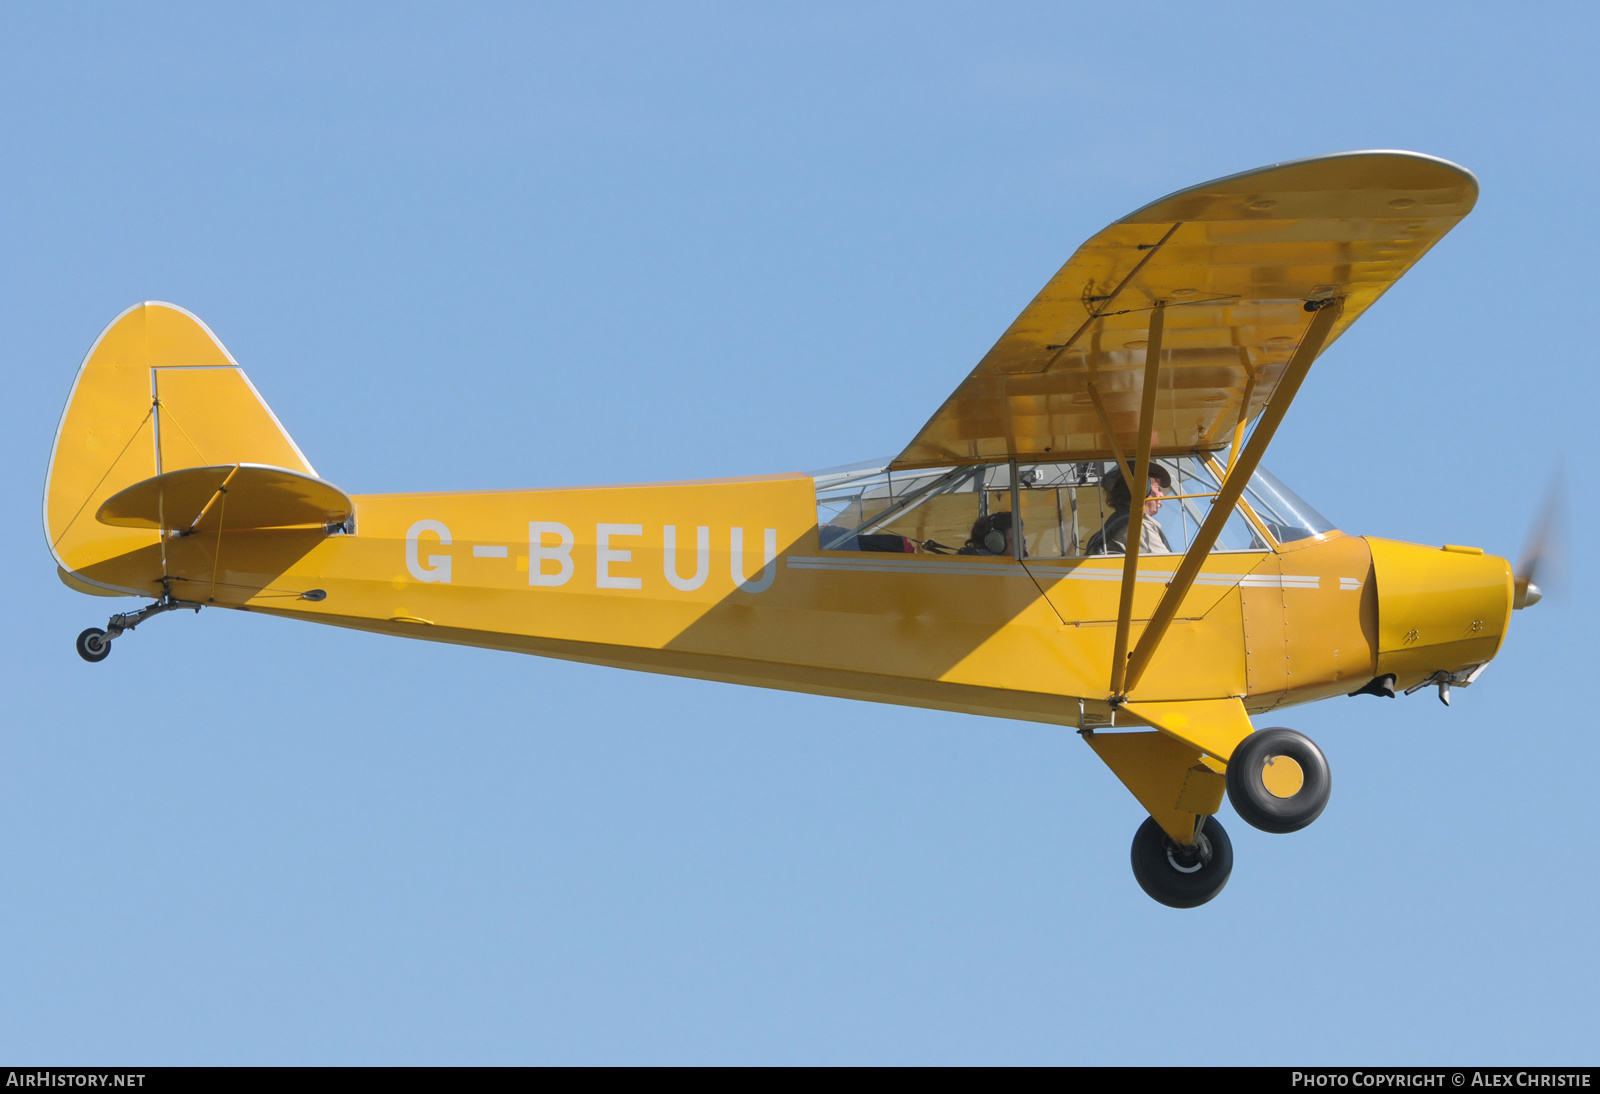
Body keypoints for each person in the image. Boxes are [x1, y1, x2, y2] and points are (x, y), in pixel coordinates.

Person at [1085, 463, 1173, 555]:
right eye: (1158, 488)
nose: (1162, 495)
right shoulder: (1137, 528)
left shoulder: (1109, 528)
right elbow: (1170, 567)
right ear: (1143, 488)